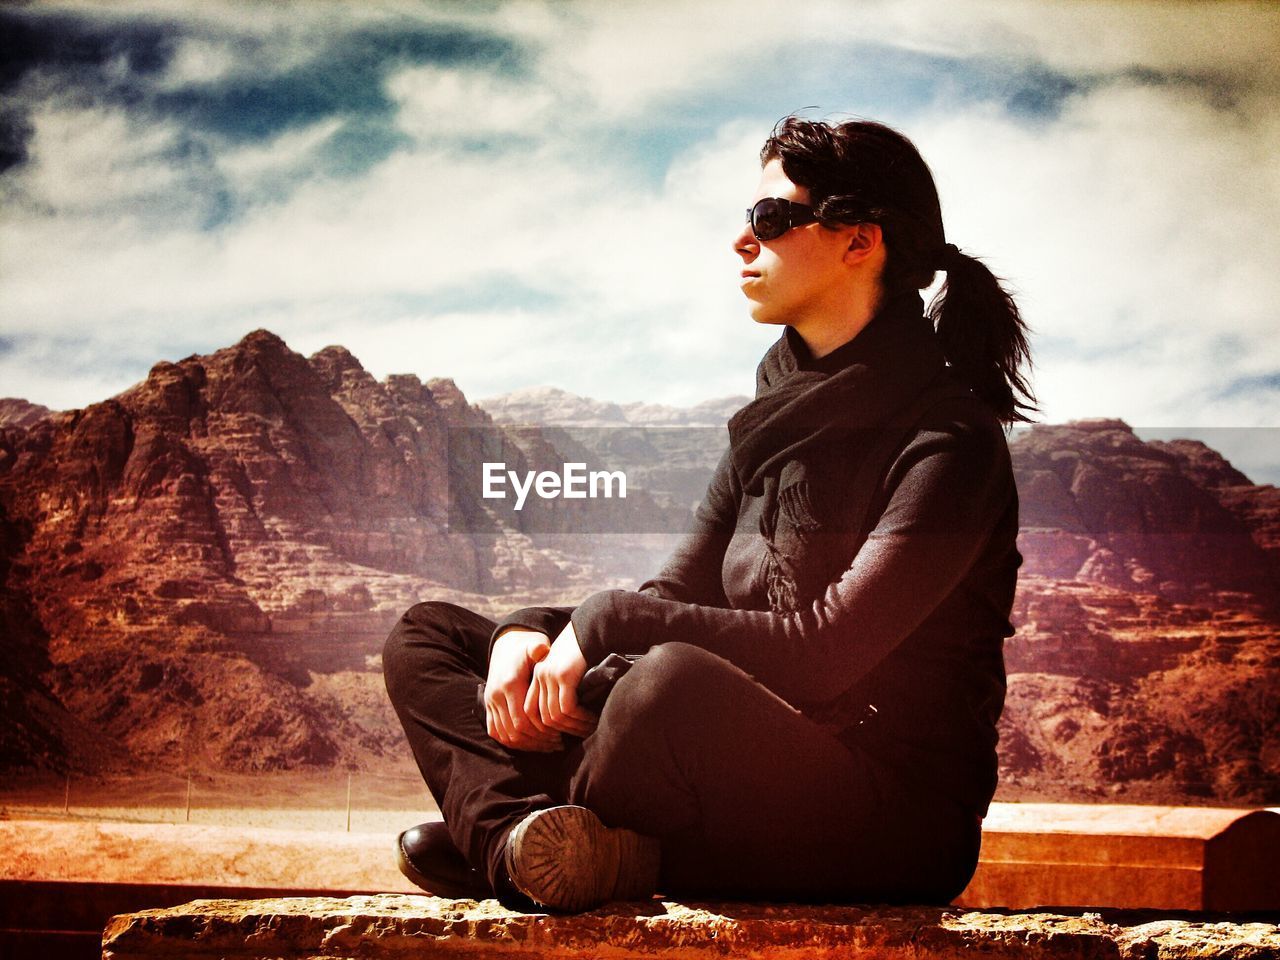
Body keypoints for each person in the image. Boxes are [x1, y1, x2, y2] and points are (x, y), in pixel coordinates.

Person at [383, 115, 1034, 912]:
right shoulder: (772, 421)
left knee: (665, 688)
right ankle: (530, 845)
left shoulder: (951, 441)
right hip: (719, 774)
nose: (741, 241)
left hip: (883, 820)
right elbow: (676, 593)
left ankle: (502, 833)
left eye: (769, 219)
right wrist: (529, 628)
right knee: (432, 636)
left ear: (859, 242)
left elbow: (825, 649)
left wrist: (602, 625)